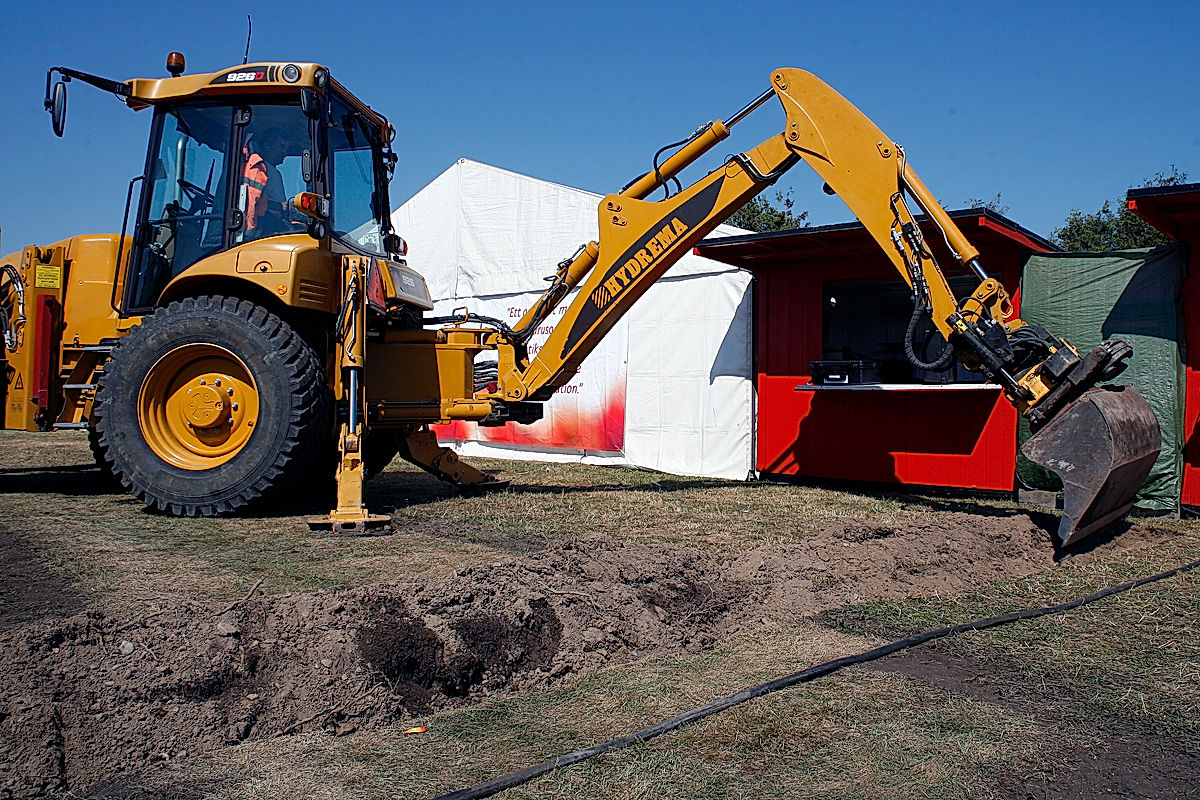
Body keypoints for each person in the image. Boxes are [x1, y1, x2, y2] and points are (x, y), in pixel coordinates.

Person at [241, 127, 289, 237]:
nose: (284, 152)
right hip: (264, 226)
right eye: (281, 147)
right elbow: (252, 201)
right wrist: (281, 207)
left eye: (286, 148)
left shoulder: (275, 172)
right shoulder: (259, 169)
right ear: (267, 146)